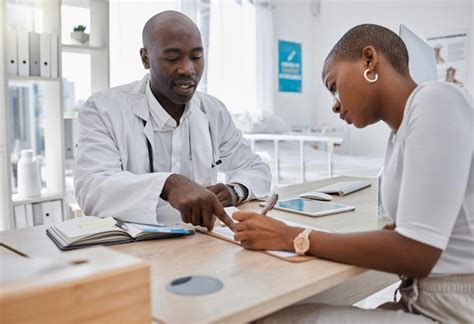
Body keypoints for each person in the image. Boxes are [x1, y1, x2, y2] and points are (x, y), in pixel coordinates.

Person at [233, 24, 473, 322]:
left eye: (333, 86)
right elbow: (411, 237)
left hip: (456, 309)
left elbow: (417, 252)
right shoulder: (399, 135)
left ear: (369, 60)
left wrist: (292, 236)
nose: (334, 105)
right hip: (424, 299)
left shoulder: (437, 100)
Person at [74, 11, 271, 230]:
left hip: (203, 242)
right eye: (172, 58)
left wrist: (236, 191)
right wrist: (168, 184)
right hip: (134, 249)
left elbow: (255, 168)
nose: (188, 69)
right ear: (145, 58)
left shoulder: (212, 110)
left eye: (196, 57)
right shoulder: (104, 109)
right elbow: (91, 189)